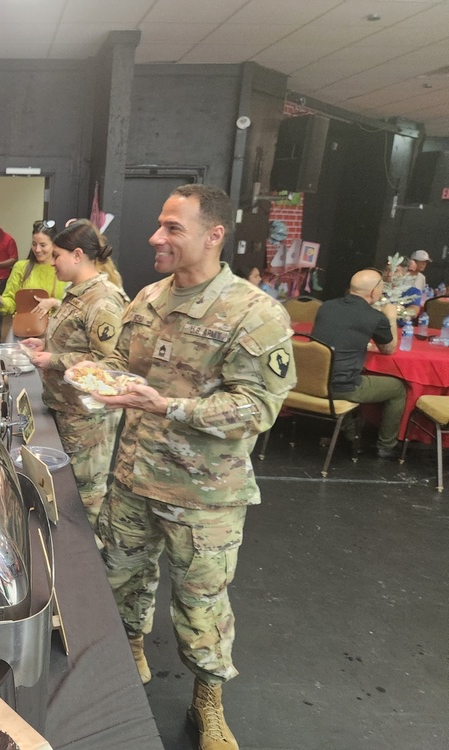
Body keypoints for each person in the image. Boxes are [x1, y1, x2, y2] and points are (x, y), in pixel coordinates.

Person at [90, 185, 296, 750]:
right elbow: (119, 362)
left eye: (172, 228)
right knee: (122, 577)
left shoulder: (253, 314)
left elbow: (258, 407)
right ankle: (132, 646)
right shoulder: (148, 298)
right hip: (132, 478)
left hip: (203, 498)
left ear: (213, 235)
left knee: (201, 604)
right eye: (160, 225)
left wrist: (171, 406)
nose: (156, 237)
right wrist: (100, 378)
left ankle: (209, 699)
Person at [21, 220, 128, 526]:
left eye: (57, 255)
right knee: (66, 492)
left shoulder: (103, 299)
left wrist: (52, 359)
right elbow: (76, 341)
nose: (51, 262)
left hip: (87, 419)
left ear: (78, 255)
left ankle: (86, 563)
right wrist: (45, 343)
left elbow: (109, 363)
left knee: (84, 497)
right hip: (67, 409)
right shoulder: (77, 294)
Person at [311, 268, 406, 459]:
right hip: (341, 386)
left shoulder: (326, 306)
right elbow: (389, 349)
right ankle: (385, 446)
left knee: (348, 372)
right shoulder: (374, 317)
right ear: (374, 292)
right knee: (398, 388)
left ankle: (349, 433)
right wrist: (391, 317)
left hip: (312, 381)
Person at [0, 220, 67, 330]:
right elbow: (11, 302)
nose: (37, 250)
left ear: (54, 245)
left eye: (43, 245)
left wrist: (54, 302)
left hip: (55, 333)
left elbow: (75, 307)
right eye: (34, 244)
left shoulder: (63, 269)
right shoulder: (21, 268)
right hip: (24, 332)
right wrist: (1, 302)